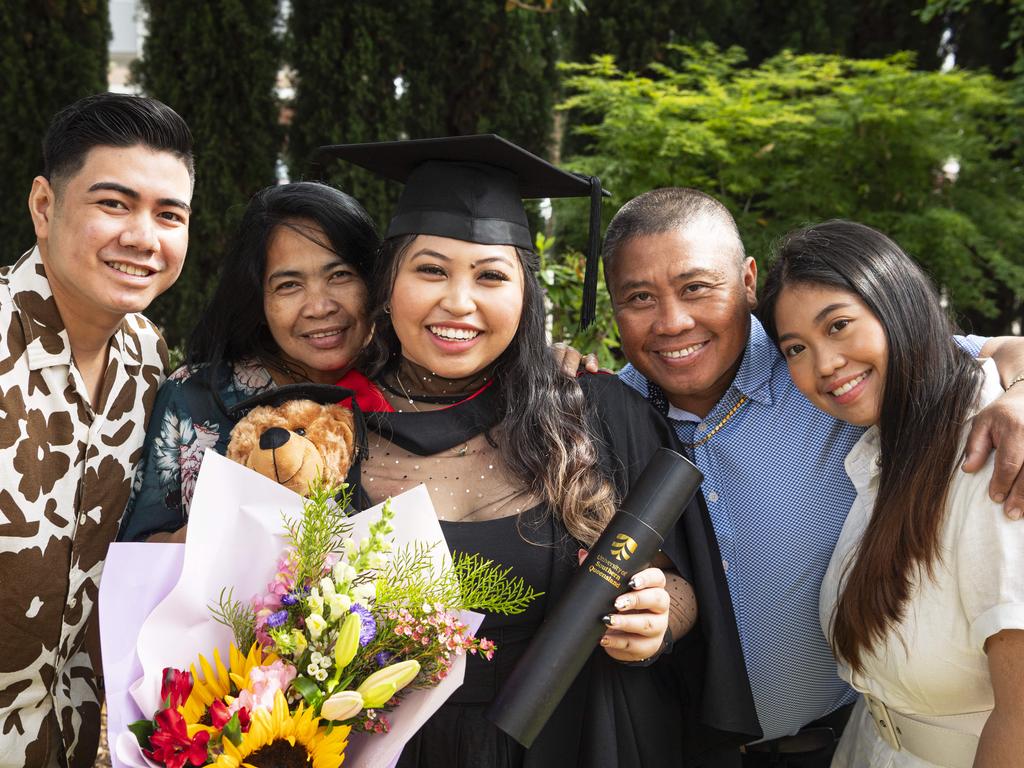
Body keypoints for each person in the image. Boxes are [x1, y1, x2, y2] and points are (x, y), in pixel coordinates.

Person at [315, 135, 759, 767]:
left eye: (491, 276)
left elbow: (681, 585)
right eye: (431, 270)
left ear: (525, 295)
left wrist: (659, 618)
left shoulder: (598, 414)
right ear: (388, 284)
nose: (459, 302)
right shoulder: (325, 429)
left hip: (561, 741)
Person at [601, 188, 1024, 767]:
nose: (673, 321)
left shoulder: (831, 374)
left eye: (697, 287)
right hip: (676, 744)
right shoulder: (602, 412)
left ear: (747, 280)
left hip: (841, 739)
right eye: (640, 297)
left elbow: (974, 356)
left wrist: (1022, 394)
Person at [759, 220, 1024, 768]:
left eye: (838, 325)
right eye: (795, 348)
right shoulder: (883, 452)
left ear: (896, 302)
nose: (823, 366)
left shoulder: (991, 454)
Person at [0, 93, 193, 768]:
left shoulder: (146, 355)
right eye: (114, 203)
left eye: (169, 215)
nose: (144, 236)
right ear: (45, 206)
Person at [118, 182, 379, 543]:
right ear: (258, 299)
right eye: (289, 285)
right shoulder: (196, 397)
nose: (320, 307)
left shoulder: (404, 392)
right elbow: (138, 553)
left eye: (340, 275)